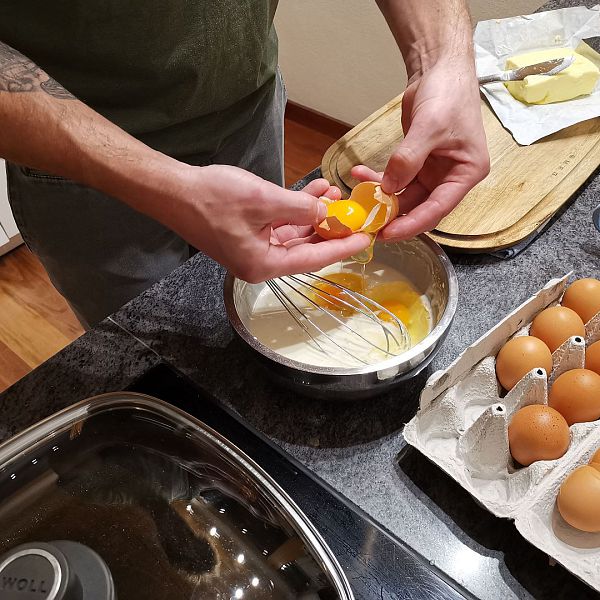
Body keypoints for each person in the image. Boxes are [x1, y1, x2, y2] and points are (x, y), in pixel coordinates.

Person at [0, 1, 489, 328]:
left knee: (270, 306)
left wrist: (441, 58)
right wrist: (167, 185)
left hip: (250, 109)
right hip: (81, 166)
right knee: (152, 348)